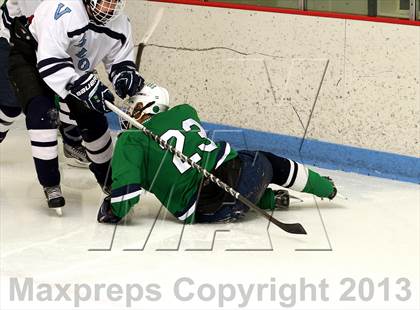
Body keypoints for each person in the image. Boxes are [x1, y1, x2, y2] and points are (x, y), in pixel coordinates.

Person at [97, 83, 337, 224]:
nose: (129, 112)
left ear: (149, 108)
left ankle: (268, 199)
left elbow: (126, 194)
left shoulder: (129, 140)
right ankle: (322, 187)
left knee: (228, 178)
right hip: (243, 178)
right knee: (266, 162)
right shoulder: (184, 113)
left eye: (135, 107)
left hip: (206, 211)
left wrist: (110, 211)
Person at [7, 0, 144, 210]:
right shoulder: (62, 9)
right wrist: (82, 86)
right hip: (32, 59)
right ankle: (50, 183)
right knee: (42, 114)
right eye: (105, 2)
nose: (110, 10)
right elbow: (50, 62)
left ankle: (111, 180)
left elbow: (119, 60)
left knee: (94, 119)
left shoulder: (121, 23)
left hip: (75, 69)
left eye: (114, 3)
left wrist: (124, 75)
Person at [0, 0, 89, 167]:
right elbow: (39, 20)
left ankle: (72, 141)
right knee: (11, 105)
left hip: (53, 35)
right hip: (16, 37)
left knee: (74, 84)